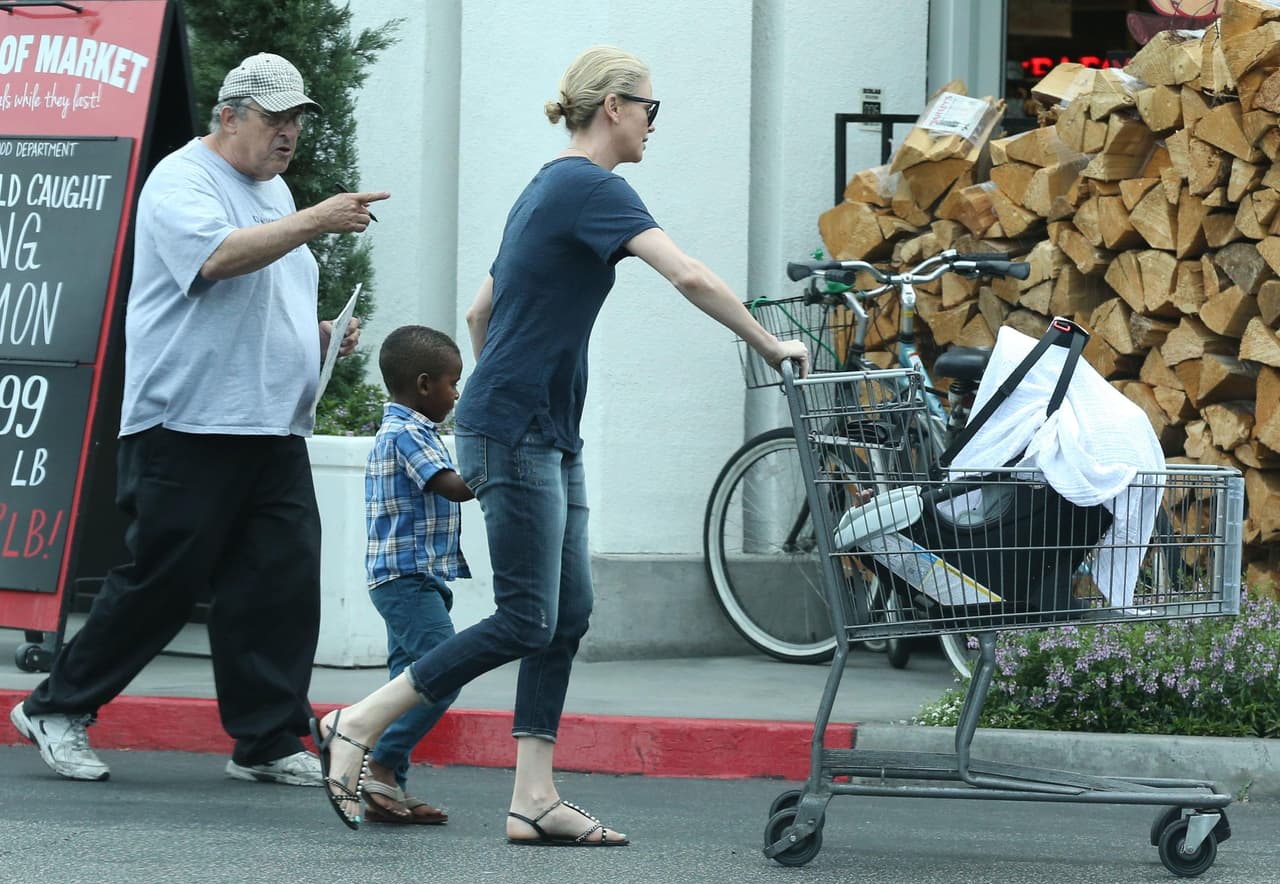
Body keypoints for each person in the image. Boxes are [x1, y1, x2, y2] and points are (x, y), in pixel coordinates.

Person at [311, 45, 808, 838]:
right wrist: (768, 342)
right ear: (613, 105)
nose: (653, 122)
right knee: (524, 616)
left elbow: (482, 312)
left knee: (566, 612)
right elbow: (686, 274)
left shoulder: (545, 184)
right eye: (650, 106)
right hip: (516, 431)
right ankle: (359, 722)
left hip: (539, 427)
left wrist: (510, 379)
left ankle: (533, 797)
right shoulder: (591, 186)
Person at [9, 52, 388, 786]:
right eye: (274, 118)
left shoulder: (273, 190)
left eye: (296, 121)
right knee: (161, 582)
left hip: (268, 425)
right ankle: (55, 707)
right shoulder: (182, 180)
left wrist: (315, 334)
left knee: (276, 583)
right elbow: (215, 260)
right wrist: (318, 219)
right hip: (186, 422)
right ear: (228, 115)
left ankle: (267, 739)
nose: (287, 134)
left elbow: (257, 296)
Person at [357, 326, 472, 825]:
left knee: (405, 682)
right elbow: (453, 487)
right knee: (441, 673)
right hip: (405, 578)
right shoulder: (406, 433)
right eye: (453, 383)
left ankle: (389, 787)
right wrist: (501, 470)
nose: (457, 393)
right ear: (424, 385)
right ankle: (378, 763)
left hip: (413, 576)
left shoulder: (412, 431)